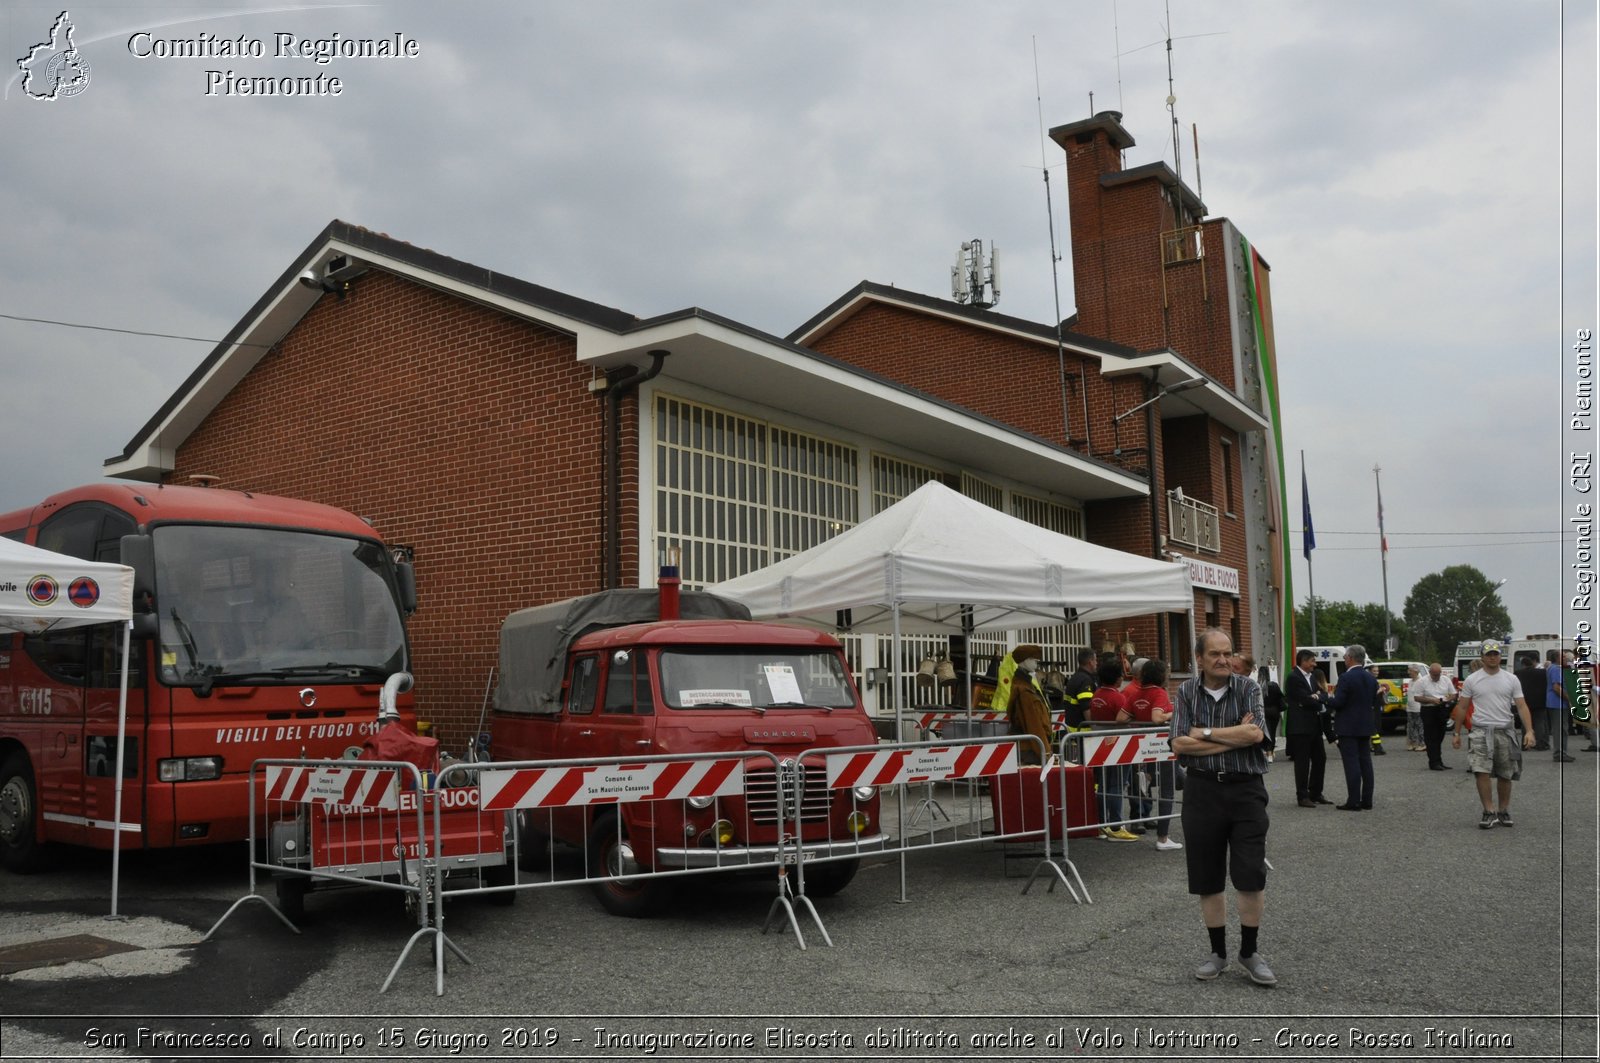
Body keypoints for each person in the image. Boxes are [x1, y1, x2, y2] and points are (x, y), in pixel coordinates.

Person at [1170, 628, 1274, 986]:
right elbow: (1179, 744)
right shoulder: (1185, 691)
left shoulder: (1249, 688)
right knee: (1207, 876)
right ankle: (1218, 953)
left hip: (1245, 792)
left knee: (1249, 873)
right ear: (1199, 658)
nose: (1223, 660)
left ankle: (1249, 951)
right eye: (1215, 654)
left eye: (1228, 653)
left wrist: (1206, 733)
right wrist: (1232, 737)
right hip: (1202, 793)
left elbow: (1255, 735)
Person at [1452, 639, 1535, 828]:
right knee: (1481, 771)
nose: (1492, 657)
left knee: (1506, 774)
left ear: (1500, 656)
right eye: (1488, 654)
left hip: (1505, 731)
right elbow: (1463, 706)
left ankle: (1503, 810)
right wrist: (1456, 733)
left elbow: (1521, 705)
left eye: (1495, 654)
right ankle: (1489, 811)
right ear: (1482, 656)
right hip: (1480, 731)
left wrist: (1529, 731)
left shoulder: (1511, 679)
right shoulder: (1473, 680)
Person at [1127, 657, 1183, 850]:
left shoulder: (1136, 693)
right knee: (1168, 788)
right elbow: (1156, 717)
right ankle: (1163, 838)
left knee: (1171, 780)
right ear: (1161, 675)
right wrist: (1173, 712)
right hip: (1161, 745)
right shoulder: (1159, 692)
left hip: (1143, 747)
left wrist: (1137, 715)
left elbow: (1120, 717)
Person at [1087, 657, 1140, 840]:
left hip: (1099, 746)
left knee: (1102, 785)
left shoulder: (1097, 695)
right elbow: (1126, 718)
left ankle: (1102, 824)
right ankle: (1116, 827)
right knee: (1116, 785)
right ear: (1117, 678)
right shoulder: (1118, 697)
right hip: (1118, 746)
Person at [1329, 645, 1378, 810]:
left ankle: (1354, 800)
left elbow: (1339, 702)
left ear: (1349, 658)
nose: (1344, 661)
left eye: (1344, 658)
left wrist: (1324, 698)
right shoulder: (1371, 678)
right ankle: (1367, 799)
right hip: (1365, 725)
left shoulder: (1346, 678)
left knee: (1351, 763)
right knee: (1366, 762)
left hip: (1348, 726)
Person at [1283, 649, 1331, 807]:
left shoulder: (1311, 677)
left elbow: (1324, 695)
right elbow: (1304, 699)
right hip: (1300, 727)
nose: (1314, 665)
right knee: (1302, 762)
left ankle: (1316, 792)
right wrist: (1315, 698)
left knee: (1320, 759)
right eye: (1312, 661)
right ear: (1303, 661)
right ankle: (1302, 796)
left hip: (1314, 725)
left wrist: (1316, 696)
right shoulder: (1293, 677)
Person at [992, 643, 1053, 765]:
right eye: (1033, 659)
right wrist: (1045, 754)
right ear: (1024, 661)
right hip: (1030, 750)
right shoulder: (1024, 691)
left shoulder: (1025, 685)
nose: (1036, 663)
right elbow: (1034, 725)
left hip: (1028, 748)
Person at [1412, 662, 1458, 770]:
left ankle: (1439, 761)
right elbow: (1417, 697)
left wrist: (1446, 700)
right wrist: (1431, 700)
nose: (1436, 677)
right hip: (1428, 709)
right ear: (1430, 672)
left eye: (1438, 674)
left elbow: (1453, 694)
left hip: (1442, 708)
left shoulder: (1446, 680)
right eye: (1434, 675)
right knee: (1431, 737)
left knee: (1440, 735)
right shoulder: (1422, 681)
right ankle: (1433, 762)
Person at [1515, 653, 1549, 750]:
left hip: (1524, 701)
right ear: (1533, 663)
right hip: (1540, 701)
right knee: (1540, 723)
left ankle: (1525, 744)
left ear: (1523, 664)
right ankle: (1541, 744)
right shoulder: (1542, 672)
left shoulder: (1518, 673)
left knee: (1525, 723)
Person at [1059, 648, 1098, 730]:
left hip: (1072, 729)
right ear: (1090, 662)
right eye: (1095, 660)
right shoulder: (1085, 681)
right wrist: (1094, 729)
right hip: (1084, 731)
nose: (1096, 663)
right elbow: (1086, 707)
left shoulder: (1074, 678)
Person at [1546, 650, 1574, 762]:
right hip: (1557, 703)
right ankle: (1559, 753)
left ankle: (1562, 752)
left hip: (1556, 703)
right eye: (1562, 657)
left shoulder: (1553, 668)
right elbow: (1556, 687)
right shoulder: (1556, 669)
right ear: (1557, 658)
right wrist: (1569, 699)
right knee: (1560, 729)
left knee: (1562, 729)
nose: (1565, 658)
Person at [1258, 666, 1283, 763]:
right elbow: (1280, 697)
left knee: (1265, 732)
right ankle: (1270, 753)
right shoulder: (1274, 685)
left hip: (1262, 711)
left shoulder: (1257, 685)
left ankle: (1266, 752)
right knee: (1272, 732)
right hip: (1274, 711)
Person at [1403, 663, 1426, 752]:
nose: (1408, 672)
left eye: (1410, 671)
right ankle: (1413, 743)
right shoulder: (1410, 682)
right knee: (1410, 726)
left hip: (1418, 707)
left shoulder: (1421, 681)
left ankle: (1422, 744)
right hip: (1410, 707)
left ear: (1416, 671)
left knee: (1419, 726)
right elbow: (1409, 694)